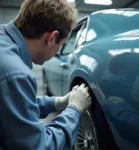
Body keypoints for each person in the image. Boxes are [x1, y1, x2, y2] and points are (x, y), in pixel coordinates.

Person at [0, 0, 92, 150]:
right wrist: (75, 108)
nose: (59, 50)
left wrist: (57, 102)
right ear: (51, 38)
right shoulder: (16, 74)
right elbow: (38, 146)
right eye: (62, 44)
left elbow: (15, 105)